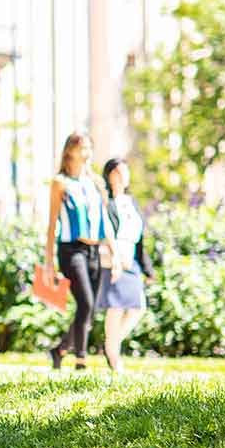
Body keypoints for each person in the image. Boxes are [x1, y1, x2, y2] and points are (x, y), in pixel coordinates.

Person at [44, 132, 122, 370]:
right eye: (82, 148)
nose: (87, 153)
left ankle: (59, 351)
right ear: (70, 151)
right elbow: (52, 222)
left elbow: (105, 222)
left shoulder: (95, 183)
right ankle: (81, 361)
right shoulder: (61, 182)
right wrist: (49, 263)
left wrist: (115, 253)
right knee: (86, 303)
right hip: (70, 250)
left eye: (90, 148)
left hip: (93, 250)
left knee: (90, 307)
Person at [97, 158, 155, 372]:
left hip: (132, 260)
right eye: (119, 172)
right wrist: (114, 258)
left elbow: (139, 239)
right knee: (116, 307)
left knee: (138, 307)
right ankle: (114, 358)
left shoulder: (131, 202)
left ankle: (111, 346)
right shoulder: (106, 201)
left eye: (125, 171)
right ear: (110, 175)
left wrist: (147, 269)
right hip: (113, 259)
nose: (123, 176)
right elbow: (106, 231)